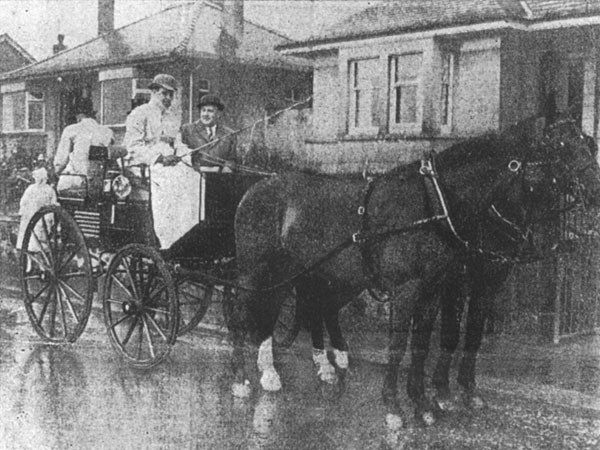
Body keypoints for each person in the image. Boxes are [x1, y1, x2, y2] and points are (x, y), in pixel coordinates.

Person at [123, 73, 200, 251]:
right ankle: (167, 239)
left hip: (169, 165)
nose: (167, 98)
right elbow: (133, 148)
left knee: (195, 179)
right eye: (164, 93)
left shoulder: (171, 118)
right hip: (143, 166)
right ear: (154, 92)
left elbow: (177, 144)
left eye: (171, 95)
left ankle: (187, 235)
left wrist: (188, 155)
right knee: (171, 181)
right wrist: (159, 158)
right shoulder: (139, 114)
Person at [53, 99, 114, 194]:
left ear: (78, 116)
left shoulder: (71, 130)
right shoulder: (107, 132)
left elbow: (61, 160)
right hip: (100, 184)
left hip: (78, 182)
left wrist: (56, 173)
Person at [180, 94, 237, 170]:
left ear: (219, 114)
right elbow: (181, 157)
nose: (205, 114)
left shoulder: (229, 134)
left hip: (219, 178)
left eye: (210, 111)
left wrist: (227, 168)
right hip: (194, 177)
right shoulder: (187, 130)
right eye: (203, 110)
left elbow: (232, 159)